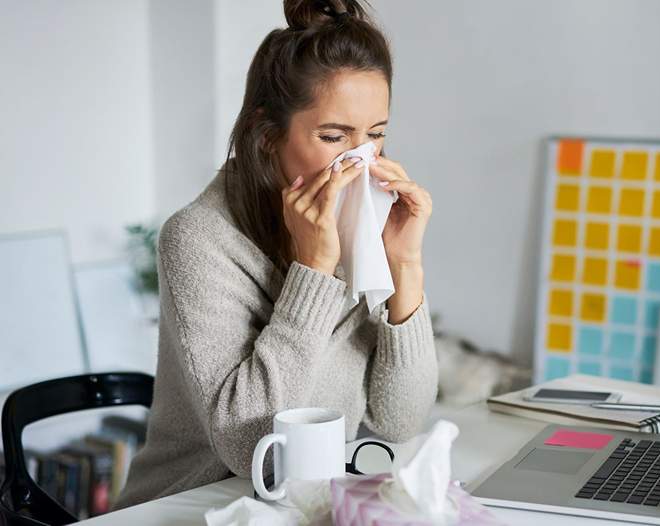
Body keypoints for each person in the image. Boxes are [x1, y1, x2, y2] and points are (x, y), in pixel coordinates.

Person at [114, 0, 438, 509]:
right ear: (269, 138)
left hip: (312, 503)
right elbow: (255, 450)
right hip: (196, 505)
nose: (362, 160)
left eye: (376, 135)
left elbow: (397, 422)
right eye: (334, 137)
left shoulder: (363, 223)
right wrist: (313, 270)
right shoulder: (197, 240)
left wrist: (405, 265)